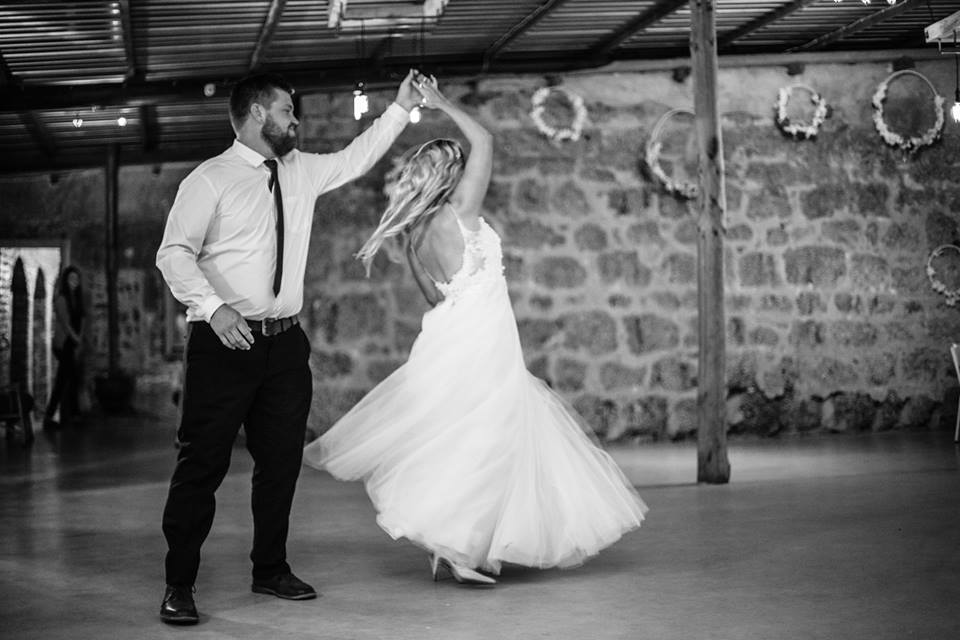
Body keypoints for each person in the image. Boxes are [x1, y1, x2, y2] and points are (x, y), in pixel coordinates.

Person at [303, 75, 648, 586]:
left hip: (447, 335)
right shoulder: (461, 213)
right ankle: (464, 549)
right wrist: (440, 102)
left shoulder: (415, 235)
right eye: (460, 169)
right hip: (484, 336)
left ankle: (457, 546)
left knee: (463, 439)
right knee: (489, 437)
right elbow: (484, 139)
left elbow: (434, 298)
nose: (470, 174)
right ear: (449, 175)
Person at [155, 70, 423, 624]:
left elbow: (355, 158)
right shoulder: (210, 179)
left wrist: (398, 109)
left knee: (279, 464)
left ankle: (270, 568)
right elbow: (174, 253)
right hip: (223, 341)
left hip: (284, 346)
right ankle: (179, 583)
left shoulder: (300, 171)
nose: (295, 121)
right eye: (286, 112)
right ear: (256, 114)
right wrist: (213, 307)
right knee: (201, 464)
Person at [44, 265, 85, 429]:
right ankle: (66, 415)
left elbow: (81, 318)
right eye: (71, 279)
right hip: (63, 344)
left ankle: (66, 415)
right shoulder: (61, 298)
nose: (74, 282)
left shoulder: (78, 298)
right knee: (67, 379)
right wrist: (75, 337)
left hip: (72, 343)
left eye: (76, 279)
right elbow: (64, 322)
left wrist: (79, 337)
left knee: (69, 378)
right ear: (65, 281)